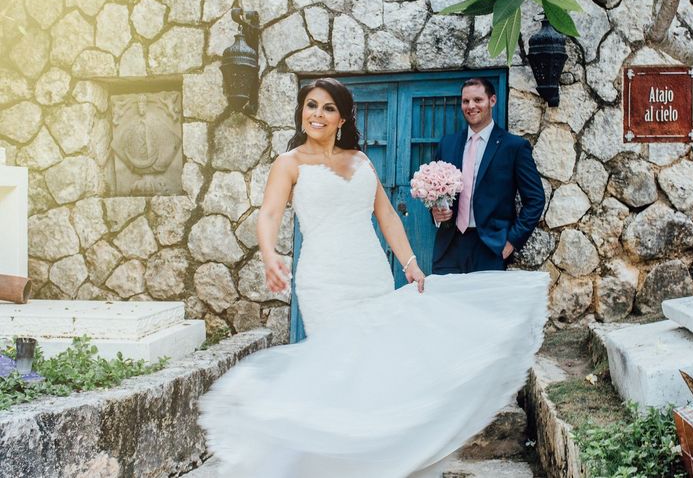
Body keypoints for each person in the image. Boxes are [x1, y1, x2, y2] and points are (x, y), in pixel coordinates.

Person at [198, 78, 548, 478]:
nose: (317, 114)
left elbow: (386, 216)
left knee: (375, 368)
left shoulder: (361, 161)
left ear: (343, 117)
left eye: (328, 108)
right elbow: (270, 215)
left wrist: (411, 263)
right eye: (311, 105)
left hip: (371, 274)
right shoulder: (289, 163)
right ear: (301, 111)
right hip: (324, 278)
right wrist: (269, 254)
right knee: (338, 365)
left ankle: (375, 461)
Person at [431, 78, 545, 274]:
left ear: (492, 101)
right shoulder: (447, 144)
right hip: (448, 246)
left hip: (491, 248)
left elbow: (535, 199)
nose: (471, 106)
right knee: (446, 305)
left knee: (485, 306)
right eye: (466, 101)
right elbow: (435, 192)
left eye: (478, 100)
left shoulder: (514, 146)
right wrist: (436, 213)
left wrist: (512, 241)